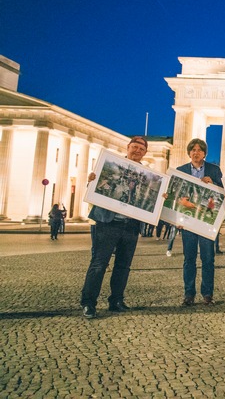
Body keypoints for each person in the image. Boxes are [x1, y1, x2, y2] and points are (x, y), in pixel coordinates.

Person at [79, 136, 149, 319]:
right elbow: (98, 189)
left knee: (123, 266)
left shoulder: (146, 175)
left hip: (130, 225)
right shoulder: (110, 167)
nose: (137, 151)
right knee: (99, 264)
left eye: (141, 149)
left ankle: (116, 300)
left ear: (145, 153)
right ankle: (88, 303)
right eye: (134, 147)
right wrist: (92, 182)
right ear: (128, 147)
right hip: (107, 222)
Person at [176, 138, 223, 307]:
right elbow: (175, 195)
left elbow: (224, 193)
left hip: (206, 221)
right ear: (189, 152)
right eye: (193, 149)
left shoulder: (214, 170)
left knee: (208, 259)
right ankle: (189, 294)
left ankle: (207, 294)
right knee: (189, 259)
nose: (196, 152)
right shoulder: (180, 170)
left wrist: (214, 183)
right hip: (188, 222)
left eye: (200, 150)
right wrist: (176, 219)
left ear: (204, 153)